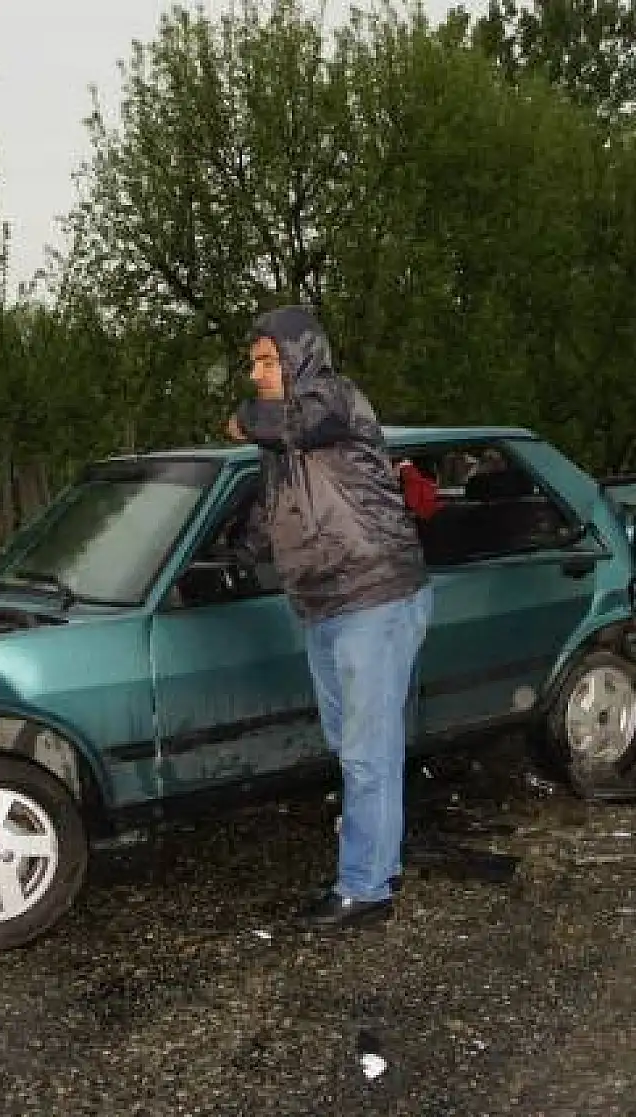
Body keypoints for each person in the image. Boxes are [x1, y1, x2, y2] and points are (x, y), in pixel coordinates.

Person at [225, 305, 432, 930]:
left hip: (375, 596)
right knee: (358, 749)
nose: (257, 370)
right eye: (254, 361)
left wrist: (242, 417)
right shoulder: (285, 442)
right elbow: (278, 508)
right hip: (322, 603)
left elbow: (292, 421)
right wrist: (238, 556)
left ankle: (363, 888)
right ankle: (380, 865)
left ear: (298, 355)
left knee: (367, 753)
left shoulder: (336, 403)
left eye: (267, 359)